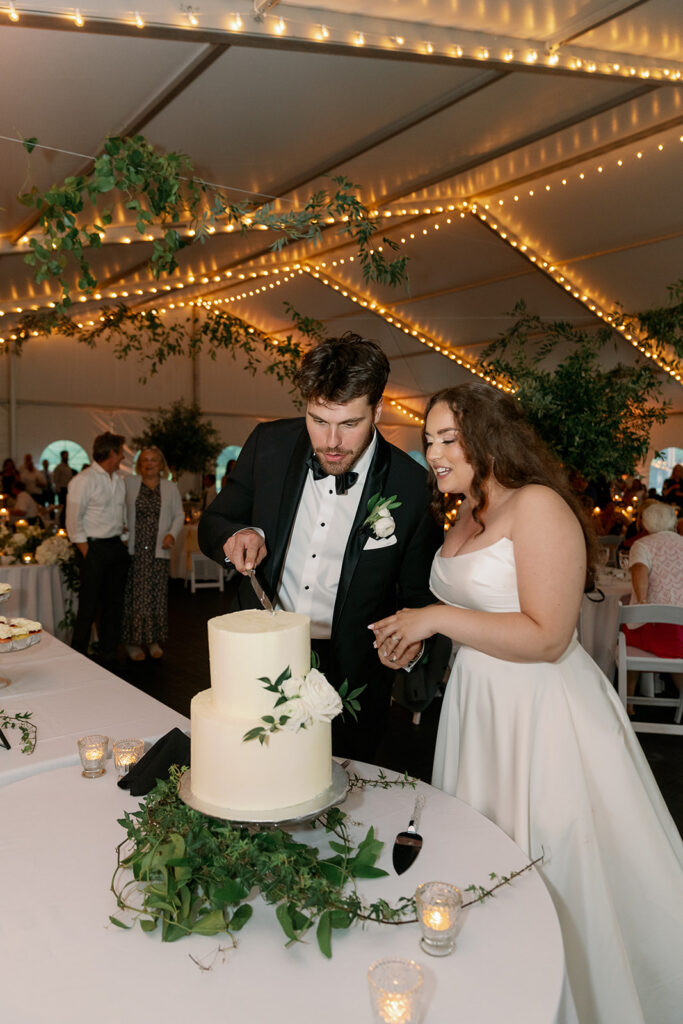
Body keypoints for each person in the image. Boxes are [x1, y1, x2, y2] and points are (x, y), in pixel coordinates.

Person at [370, 384, 683, 1024]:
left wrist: (435, 616)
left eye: (448, 438)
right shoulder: (464, 513)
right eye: (429, 439)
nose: (434, 451)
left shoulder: (537, 505)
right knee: (487, 854)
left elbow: (547, 635)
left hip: (542, 713)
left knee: (560, 864)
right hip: (477, 704)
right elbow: (470, 619)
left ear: (488, 437)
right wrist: (414, 639)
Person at [199, 332, 441, 761]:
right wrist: (235, 536)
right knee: (252, 770)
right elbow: (215, 522)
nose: (331, 441)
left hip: (354, 672)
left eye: (349, 424)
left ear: (378, 411)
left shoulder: (409, 484)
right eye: (318, 420)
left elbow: (419, 595)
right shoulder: (269, 445)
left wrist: (413, 645)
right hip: (261, 654)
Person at [66, 432, 128, 666]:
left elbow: (120, 514)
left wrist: (124, 538)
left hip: (115, 547)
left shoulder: (118, 479)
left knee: (114, 606)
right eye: (121, 451)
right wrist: (87, 552)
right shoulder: (84, 479)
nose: (123, 455)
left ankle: (108, 655)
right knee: (88, 606)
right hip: (92, 548)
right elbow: (73, 521)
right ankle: (78, 657)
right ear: (111, 453)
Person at [121, 446, 184, 661]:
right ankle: (132, 642)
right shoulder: (128, 483)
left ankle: (153, 640)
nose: (149, 463)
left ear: (161, 464)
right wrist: (121, 528)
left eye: (154, 460)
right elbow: (119, 508)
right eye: (145, 460)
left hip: (159, 551)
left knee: (156, 597)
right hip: (134, 551)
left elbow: (179, 515)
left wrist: (171, 534)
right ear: (140, 464)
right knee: (135, 598)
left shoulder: (170, 487)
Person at [623, 502, 683, 702]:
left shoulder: (642, 545)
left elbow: (639, 571)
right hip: (680, 634)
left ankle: (629, 702)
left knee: (630, 631)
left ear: (645, 523)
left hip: (656, 629)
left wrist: (643, 602)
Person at [52, 449, 74, 526]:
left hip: (68, 489)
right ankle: (61, 522)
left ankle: (66, 521)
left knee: (67, 506)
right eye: (65, 455)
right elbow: (55, 479)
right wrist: (58, 490)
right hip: (62, 489)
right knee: (62, 507)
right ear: (62, 456)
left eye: (67, 455)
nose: (67, 457)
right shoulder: (59, 467)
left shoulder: (67, 467)